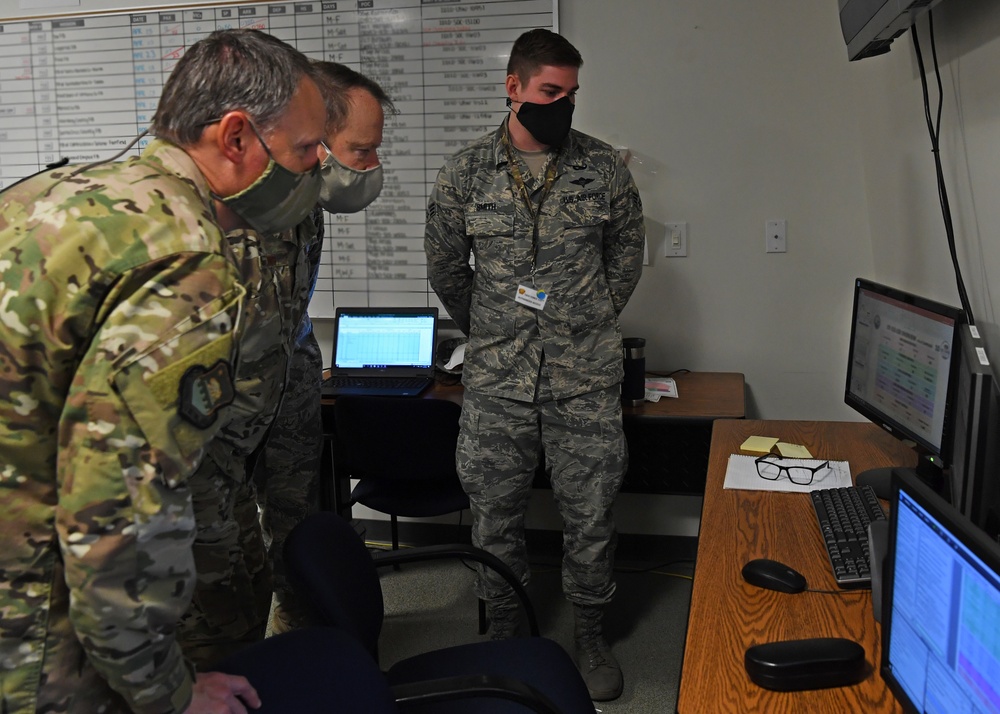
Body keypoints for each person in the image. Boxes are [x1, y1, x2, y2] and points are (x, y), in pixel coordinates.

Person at [0, 28, 327, 714]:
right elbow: (114, 517)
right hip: (33, 623)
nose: (320, 163)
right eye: (305, 148)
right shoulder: (185, 258)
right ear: (235, 138)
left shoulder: (54, 195)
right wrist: (168, 690)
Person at [423, 28, 645, 702]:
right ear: (513, 87)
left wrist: (582, 318)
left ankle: (591, 632)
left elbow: (627, 256)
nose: (564, 105)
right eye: (551, 92)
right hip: (497, 381)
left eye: (571, 94)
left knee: (591, 515)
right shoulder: (464, 173)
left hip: (585, 380)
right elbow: (445, 270)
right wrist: (495, 328)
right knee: (494, 517)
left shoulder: (604, 169)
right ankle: (506, 634)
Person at [252, 60, 394, 634]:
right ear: (314, 139)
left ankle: (298, 627)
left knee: (295, 521)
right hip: (232, 401)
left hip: (293, 382)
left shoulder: (307, 201)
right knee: (226, 541)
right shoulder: (232, 212)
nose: (372, 166)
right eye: (360, 151)